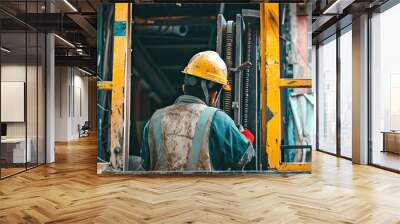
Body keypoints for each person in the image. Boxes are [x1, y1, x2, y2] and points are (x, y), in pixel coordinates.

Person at [140, 51, 255, 171]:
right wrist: (244, 135)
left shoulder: (155, 119)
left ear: (184, 87)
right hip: (205, 190)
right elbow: (245, 156)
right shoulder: (218, 119)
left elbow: (145, 163)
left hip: (160, 190)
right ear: (214, 94)